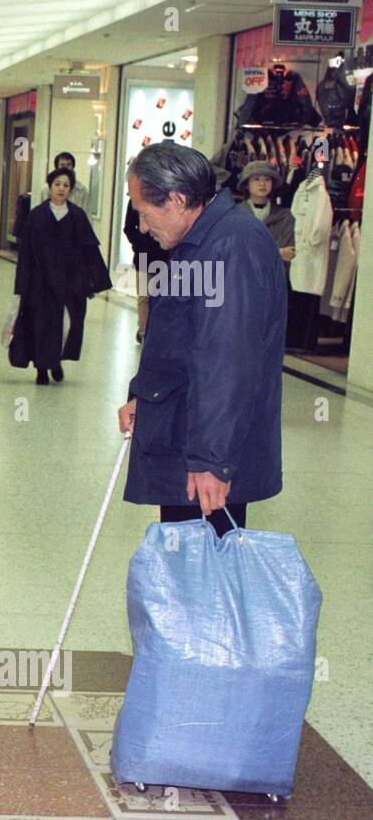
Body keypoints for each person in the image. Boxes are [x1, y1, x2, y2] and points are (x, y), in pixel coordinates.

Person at [117, 143, 286, 536]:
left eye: (144, 213)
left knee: (203, 578)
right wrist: (147, 394)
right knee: (187, 572)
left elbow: (227, 360)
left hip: (203, 454)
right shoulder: (202, 240)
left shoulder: (230, 248)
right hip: (185, 430)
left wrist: (212, 461)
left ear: (176, 200)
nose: (141, 227)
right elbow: (184, 340)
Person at [11, 167, 110, 384]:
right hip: (40, 281)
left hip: (69, 282)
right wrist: (21, 285)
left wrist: (94, 281)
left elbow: (89, 249)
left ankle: (55, 361)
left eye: (66, 185)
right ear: (50, 186)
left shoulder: (77, 216)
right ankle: (41, 368)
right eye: (57, 184)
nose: (61, 189)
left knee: (64, 324)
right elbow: (26, 253)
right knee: (40, 323)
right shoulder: (36, 216)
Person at [123, 196, 167, 344]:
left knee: (163, 297)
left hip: (166, 254)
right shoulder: (137, 198)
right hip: (143, 256)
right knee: (144, 297)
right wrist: (139, 243)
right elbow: (129, 228)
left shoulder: (167, 197)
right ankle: (144, 334)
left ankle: (157, 334)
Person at [236, 161, 297, 268]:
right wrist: (278, 253)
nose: (262, 183)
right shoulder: (234, 216)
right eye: (256, 179)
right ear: (246, 184)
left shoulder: (285, 217)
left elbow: (289, 255)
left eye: (267, 179)